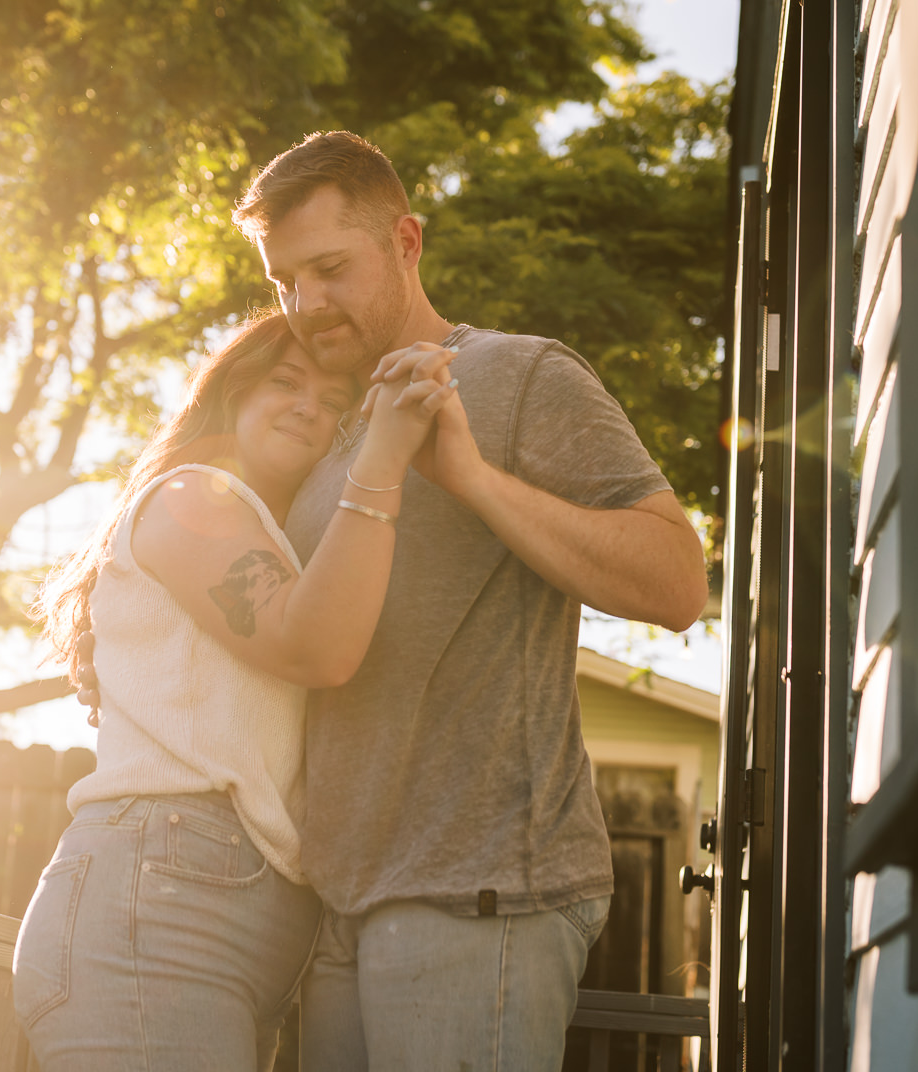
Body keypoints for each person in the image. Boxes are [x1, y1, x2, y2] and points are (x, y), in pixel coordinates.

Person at [230, 131, 710, 1071]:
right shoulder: (320, 428)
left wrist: (477, 482)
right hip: (340, 900)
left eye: (330, 267)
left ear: (406, 242)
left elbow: (677, 581)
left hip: (479, 888)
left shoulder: (520, 374)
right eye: (285, 281)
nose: (307, 304)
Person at [12, 309, 458, 1071]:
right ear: (231, 396)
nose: (309, 407)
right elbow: (314, 644)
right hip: (155, 908)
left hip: (226, 916)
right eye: (285, 382)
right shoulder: (194, 494)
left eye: (332, 399)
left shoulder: (274, 537)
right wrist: (383, 452)